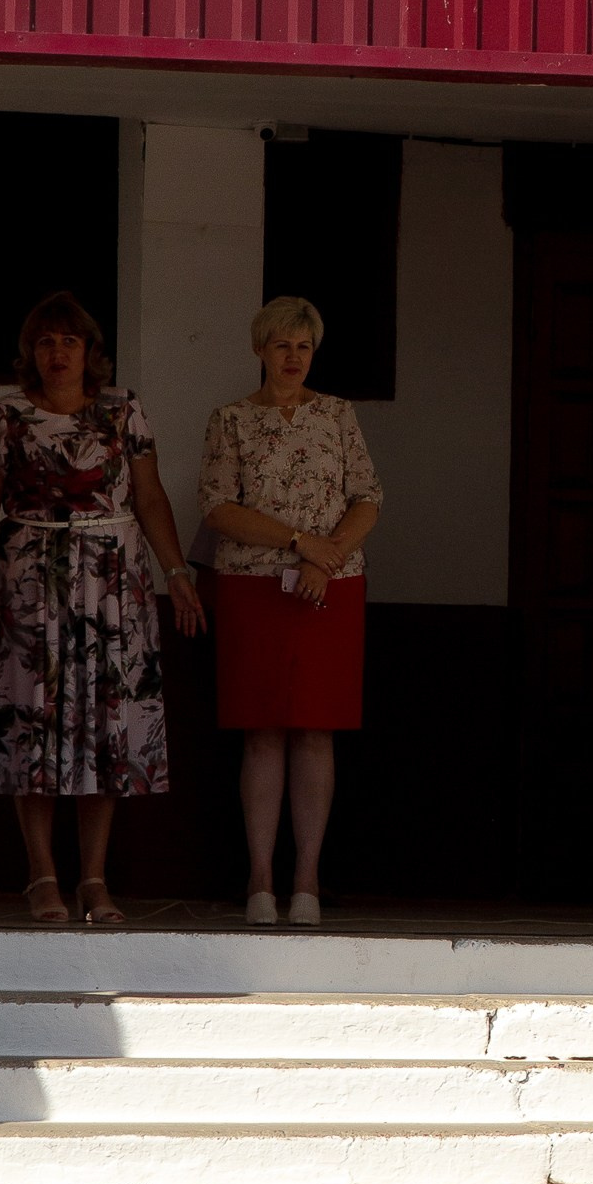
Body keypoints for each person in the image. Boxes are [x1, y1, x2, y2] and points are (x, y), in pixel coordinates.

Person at [0, 289, 205, 927]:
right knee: (33, 725)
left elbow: (150, 498)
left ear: (90, 351)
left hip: (111, 582)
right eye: (45, 341)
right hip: (27, 580)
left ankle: (95, 880)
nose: (57, 353)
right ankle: (42, 875)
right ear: (30, 352)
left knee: (105, 728)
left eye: (69, 341)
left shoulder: (125, 412)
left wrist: (176, 571)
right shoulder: (4, 414)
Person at [197, 296, 382, 928]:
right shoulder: (230, 420)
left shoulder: (337, 415)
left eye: (303, 346)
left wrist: (322, 560)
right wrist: (300, 543)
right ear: (260, 350)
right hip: (252, 584)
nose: (294, 357)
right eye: (282, 345)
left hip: (331, 584)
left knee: (315, 730)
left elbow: (368, 497)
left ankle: (306, 879)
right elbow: (218, 506)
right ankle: (259, 880)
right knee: (263, 730)